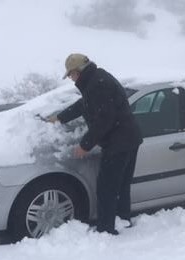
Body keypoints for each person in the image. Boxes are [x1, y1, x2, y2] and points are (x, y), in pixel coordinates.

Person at [50, 53, 142, 235]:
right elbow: (85, 104)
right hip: (128, 138)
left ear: (78, 71)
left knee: (107, 188)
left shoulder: (97, 84)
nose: (70, 78)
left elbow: (104, 120)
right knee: (121, 185)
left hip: (119, 142)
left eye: (70, 74)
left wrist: (85, 145)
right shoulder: (96, 79)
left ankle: (106, 229)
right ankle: (122, 220)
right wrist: (60, 117)